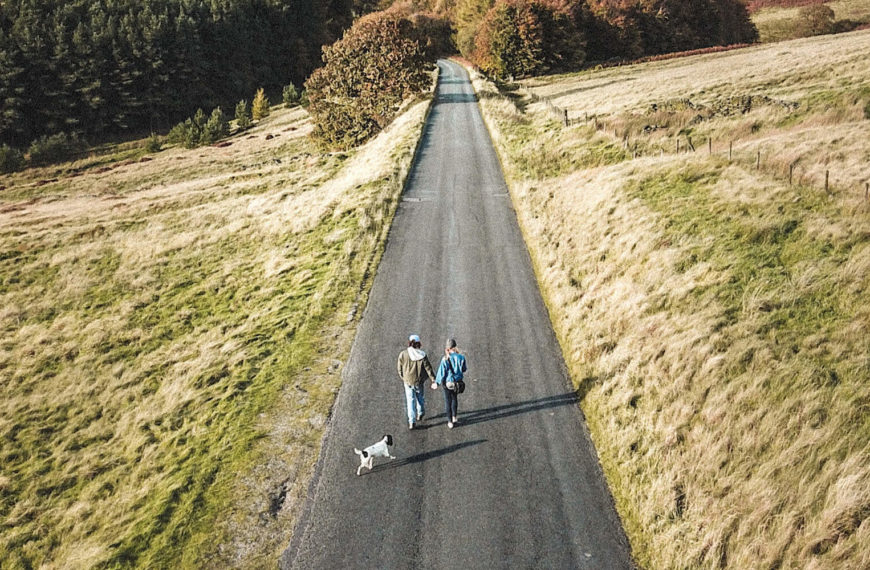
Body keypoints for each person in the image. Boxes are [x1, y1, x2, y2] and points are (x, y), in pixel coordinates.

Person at [397, 334, 436, 430]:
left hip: (407, 382)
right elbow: (428, 369)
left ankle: (412, 421)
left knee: (410, 401)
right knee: (420, 398)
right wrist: (433, 380)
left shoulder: (403, 354)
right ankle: (420, 413)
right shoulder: (422, 355)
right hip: (418, 382)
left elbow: (399, 368)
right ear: (418, 343)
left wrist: (404, 378)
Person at [432, 338, 467, 429]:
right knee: (454, 399)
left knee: (448, 401)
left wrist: (437, 382)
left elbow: (441, 372)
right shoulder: (461, 357)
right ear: (455, 347)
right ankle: (454, 417)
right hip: (457, 382)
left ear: (447, 348)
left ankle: (450, 421)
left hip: (448, 383)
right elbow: (464, 369)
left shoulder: (445, 359)